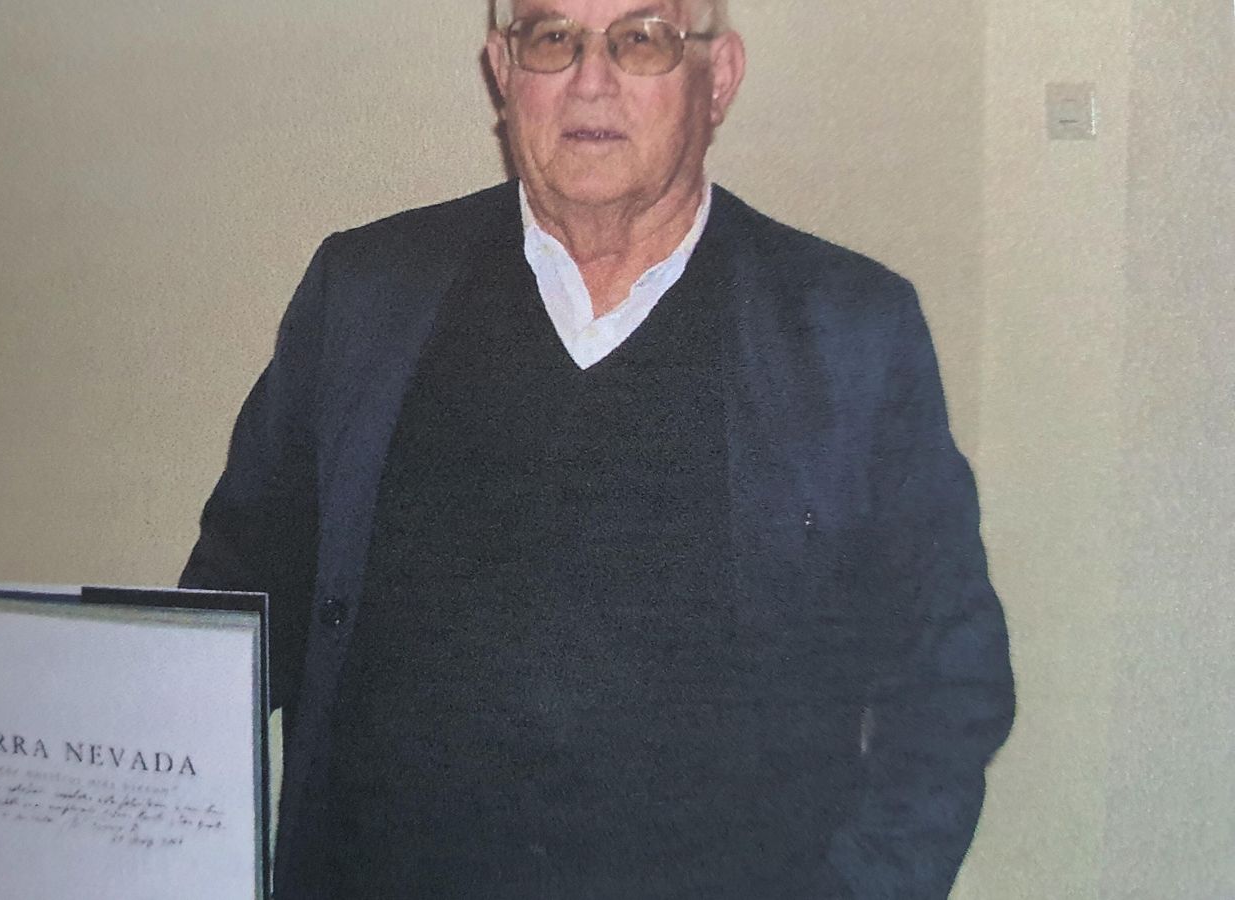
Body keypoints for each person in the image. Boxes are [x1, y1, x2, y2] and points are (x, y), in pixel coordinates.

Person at [181, 0, 1015, 896]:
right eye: (552, 38)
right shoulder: (364, 299)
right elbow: (224, 618)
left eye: (641, 39)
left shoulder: (849, 336)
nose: (590, 80)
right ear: (503, 74)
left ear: (718, 78)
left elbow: (948, 684)